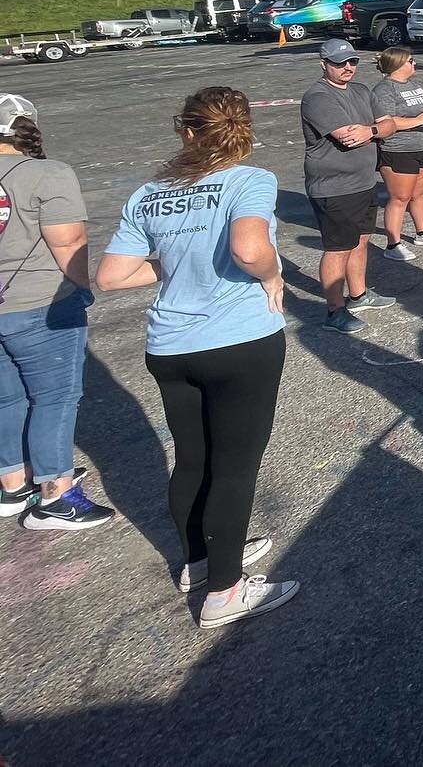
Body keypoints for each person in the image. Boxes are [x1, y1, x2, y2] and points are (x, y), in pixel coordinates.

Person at [97, 87, 298, 627]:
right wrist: (273, 273)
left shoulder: (148, 193)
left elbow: (112, 275)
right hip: (238, 343)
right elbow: (249, 249)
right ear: (244, 130)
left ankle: (203, 560)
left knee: (193, 460)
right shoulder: (248, 179)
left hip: (169, 349)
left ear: (186, 130)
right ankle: (224, 592)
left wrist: (174, 269)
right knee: (234, 468)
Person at [0, 94, 113, 531]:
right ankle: (55, 494)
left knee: (7, 398)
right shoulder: (48, 173)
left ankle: (14, 482)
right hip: (41, 302)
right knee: (54, 398)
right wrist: (81, 288)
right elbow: (67, 242)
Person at [300, 38, 398, 333]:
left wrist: (371, 130)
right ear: (324, 64)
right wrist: (377, 130)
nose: (347, 68)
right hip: (334, 187)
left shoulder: (361, 90)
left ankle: (358, 294)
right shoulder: (317, 97)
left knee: (361, 241)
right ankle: (334, 310)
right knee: (338, 248)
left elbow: (389, 125)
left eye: (352, 62)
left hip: (364, 181)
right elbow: (346, 136)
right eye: (339, 63)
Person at [369, 47, 423, 261]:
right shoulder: (384, 90)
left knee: (420, 194)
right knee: (400, 198)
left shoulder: (415, 84)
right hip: (398, 149)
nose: (414, 63)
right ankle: (393, 244)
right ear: (398, 64)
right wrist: (418, 120)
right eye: (411, 60)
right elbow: (385, 121)